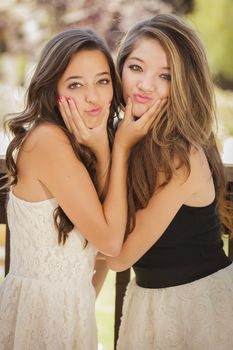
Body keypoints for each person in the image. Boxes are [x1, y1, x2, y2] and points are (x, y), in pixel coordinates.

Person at [0, 28, 165, 349]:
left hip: (70, 311)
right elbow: (110, 241)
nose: (93, 96)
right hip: (41, 315)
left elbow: (98, 254)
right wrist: (117, 150)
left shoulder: (82, 145)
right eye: (76, 85)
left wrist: (103, 152)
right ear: (53, 91)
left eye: (103, 81)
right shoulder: (48, 141)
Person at [107, 14, 233, 350]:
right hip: (149, 297)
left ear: (183, 85)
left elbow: (118, 258)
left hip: (196, 304)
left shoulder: (179, 154)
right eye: (136, 68)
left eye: (165, 76)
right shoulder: (131, 134)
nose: (145, 85)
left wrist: (120, 148)